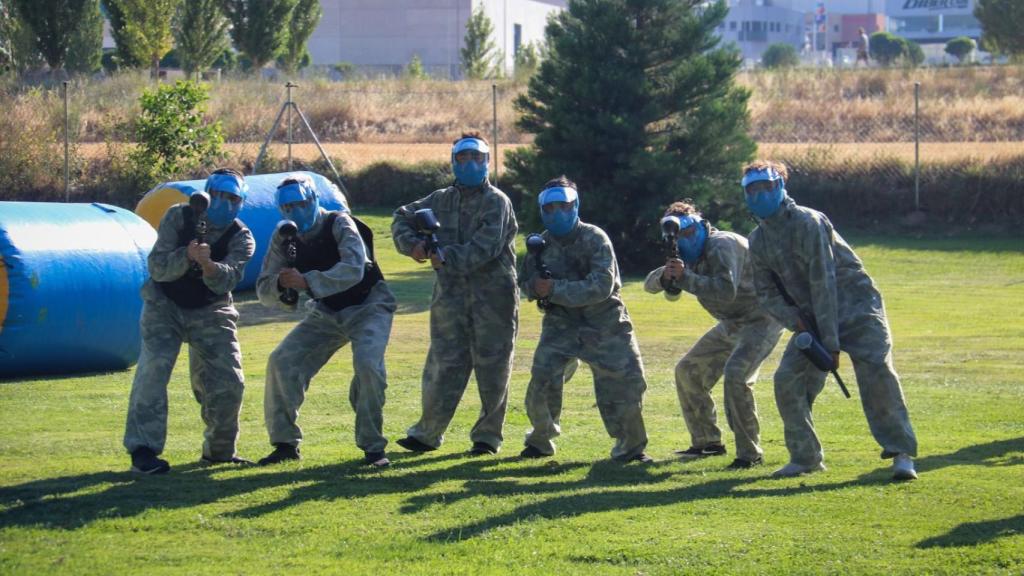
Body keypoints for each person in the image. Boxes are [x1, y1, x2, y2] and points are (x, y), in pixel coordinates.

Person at [742, 160, 918, 481]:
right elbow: (766, 293)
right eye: (752, 189)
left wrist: (831, 345)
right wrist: (797, 323)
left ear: (780, 187)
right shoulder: (758, 241)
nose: (759, 194)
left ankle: (901, 453)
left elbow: (823, 282)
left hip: (857, 307)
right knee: (787, 380)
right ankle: (805, 457)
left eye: (766, 187)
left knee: (877, 372)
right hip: (811, 320)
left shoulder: (809, 222)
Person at [391, 132, 519, 456]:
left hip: (494, 299)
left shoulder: (497, 202)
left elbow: (486, 247)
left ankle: (487, 438)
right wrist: (414, 247)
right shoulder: (439, 199)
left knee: (493, 368)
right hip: (450, 297)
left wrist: (444, 256)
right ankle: (427, 434)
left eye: (478, 158)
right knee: (443, 364)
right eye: (464, 158)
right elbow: (401, 217)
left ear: (487, 162)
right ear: (454, 162)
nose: (471, 164)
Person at [255, 175, 397, 468]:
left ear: (314, 200)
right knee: (282, 361)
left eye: (302, 203)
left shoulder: (340, 223)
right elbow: (263, 289)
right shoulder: (284, 236)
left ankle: (373, 448)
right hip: (326, 310)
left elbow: (354, 268)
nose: (296, 211)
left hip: (369, 304)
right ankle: (284, 444)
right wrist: (281, 284)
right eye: (289, 207)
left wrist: (307, 281)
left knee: (369, 366)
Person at [123, 168, 255, 474]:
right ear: (207, 196)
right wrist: (187, 255)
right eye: (220, 196)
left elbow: (227, 281)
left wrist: (207, 264)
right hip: (164, 305)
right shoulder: (178, 217)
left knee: (229, 381)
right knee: (153, 371)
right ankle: (143, 452)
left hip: (212, 310)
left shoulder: (242, 237)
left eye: (233, 198)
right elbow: (157, 267)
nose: (225, 203)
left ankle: (220, 451)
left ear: (241, 202)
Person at [519, 177, 652, 463]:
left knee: (627, 384)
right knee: (541, 382)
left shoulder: (595, 238)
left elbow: (601, 286)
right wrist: (535, 287)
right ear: (542, 209)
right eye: (550, 207)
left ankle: (630, 448)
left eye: (563, 206)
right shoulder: (539, 245)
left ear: (575, 205)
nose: (557, 213)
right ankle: (540, 440)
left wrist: (554, 289)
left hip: (605, 323)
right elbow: (526, 281)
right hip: (560, 325)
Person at [644, 201, 782, 469]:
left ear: (699, 225)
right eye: (677, 236)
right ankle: (707, 443)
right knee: (688, 371)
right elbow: (650, 284)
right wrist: (666, 277)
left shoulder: (723, 244)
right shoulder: (686, 256)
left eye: (687, 232)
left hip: (762, 318)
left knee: (736, 376)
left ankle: (749, 454)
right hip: (732, 322)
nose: (683, 239)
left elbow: (724, 290)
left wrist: (685, 279)